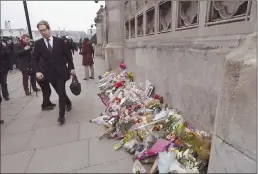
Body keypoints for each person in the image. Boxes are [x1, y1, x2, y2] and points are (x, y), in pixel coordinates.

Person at [33, 20, 76, 124]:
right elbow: (35, 59)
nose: (43, 32)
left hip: (61, 71)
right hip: (49, 73)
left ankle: (61, 116)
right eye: (40, 31)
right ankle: (68, 103)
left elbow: (68, 56)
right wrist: (37, 71)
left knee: (61, 92)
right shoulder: (38, 44)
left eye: (44, 30)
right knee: (59, 92)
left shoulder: (60, 41)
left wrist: (71, 68)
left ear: (49, 29)